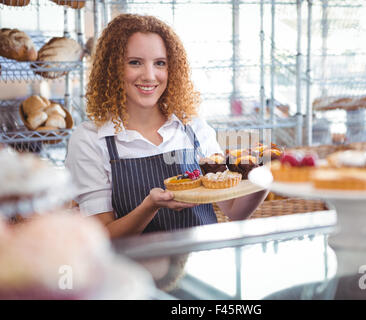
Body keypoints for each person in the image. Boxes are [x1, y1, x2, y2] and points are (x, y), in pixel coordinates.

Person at [65, 14, 269, 239]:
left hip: (203, 262)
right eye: (135, 62)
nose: (149, 75)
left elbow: (234, 210)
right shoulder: (91, 139)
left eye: (160, 63)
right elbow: (102, 237)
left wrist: (266, 177)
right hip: (133, 271)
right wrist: (150, 206)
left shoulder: (192, 127)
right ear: (112, 69)